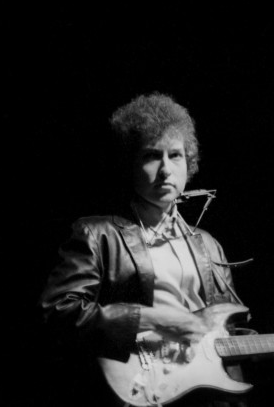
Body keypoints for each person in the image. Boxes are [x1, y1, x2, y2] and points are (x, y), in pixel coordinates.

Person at [40, 92, 249, 407]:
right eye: (152, 156)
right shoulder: (97, 233)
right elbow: (58, 312)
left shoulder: (208, 245)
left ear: (188, 162)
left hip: (205, 397)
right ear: (129, 164)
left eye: (175, 155)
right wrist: (151, 318)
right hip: (135, 391)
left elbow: (234, 336)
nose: (166, 169)